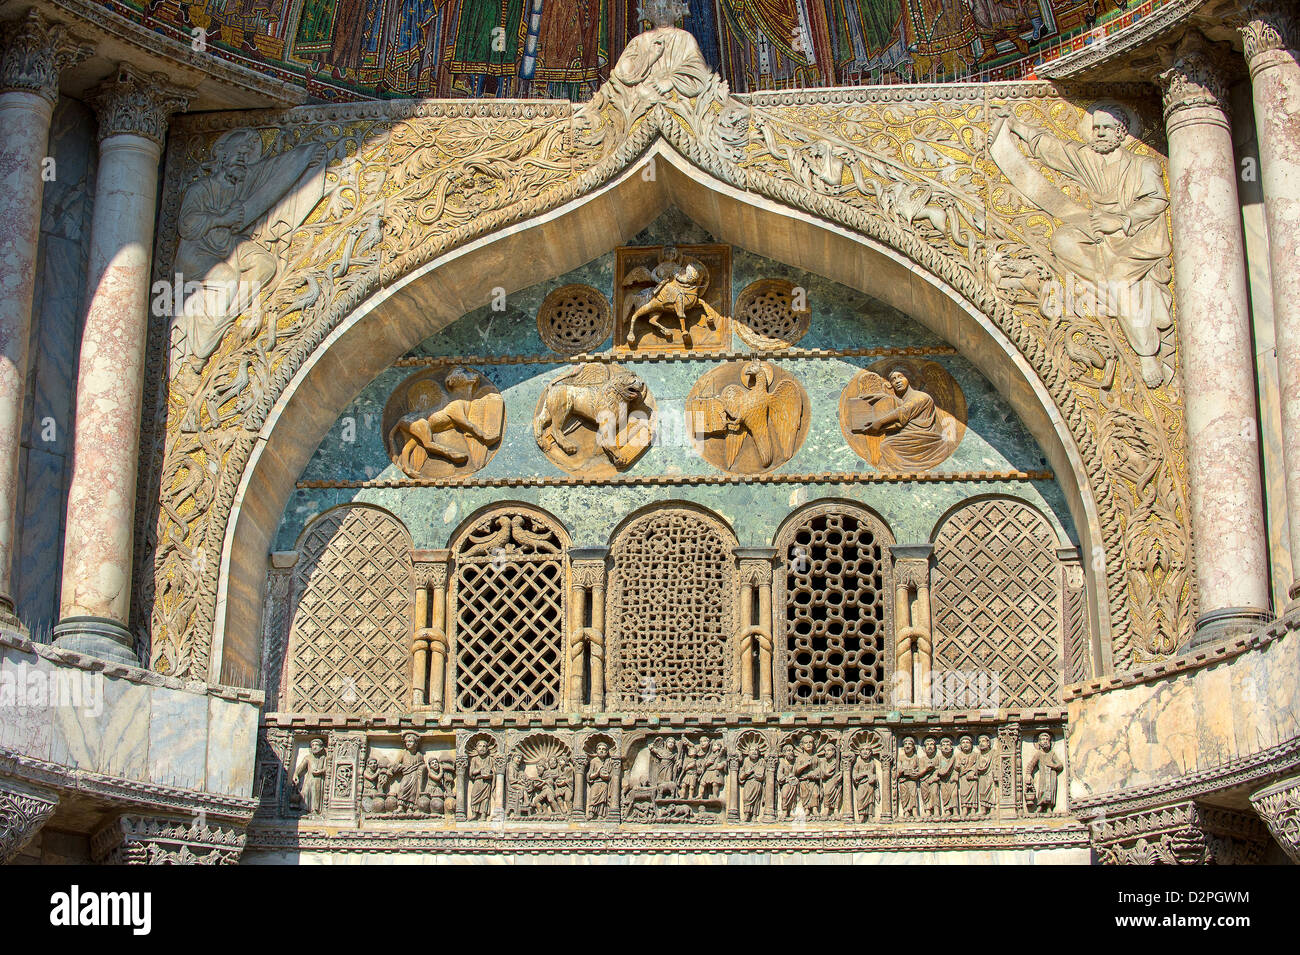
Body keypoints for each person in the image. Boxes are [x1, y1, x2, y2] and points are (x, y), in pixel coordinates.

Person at [1025, 732, 1063, 812]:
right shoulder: (1038, 754)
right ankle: (1040, 805)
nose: (1045, 741)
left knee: (1051, 790)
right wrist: (1028, 774)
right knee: (1042, 790)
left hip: (1052, 775)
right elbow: (1031, 764)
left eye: (1047, 739)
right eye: (1043, 739)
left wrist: (1053, 765)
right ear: (1039, 742)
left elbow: (1060, 765)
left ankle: (1049, 807)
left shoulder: (1052, 754)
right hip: (1043, 777)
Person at [292, 737, 327, 814]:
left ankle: (315, 810)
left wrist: (320, 771)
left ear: (321, 747)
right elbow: (301, 767)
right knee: (305, 791)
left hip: (318, 779)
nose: (314, 747)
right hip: (309, 778)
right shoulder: (308, 757)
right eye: (313, 745)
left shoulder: (323, 758)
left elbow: (327, 768)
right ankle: (304, 808)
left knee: (316, 793)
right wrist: (296, 774)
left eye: (316, 745)